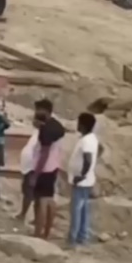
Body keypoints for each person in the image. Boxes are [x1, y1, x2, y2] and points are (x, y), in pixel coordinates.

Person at [18, 99, 65, 226]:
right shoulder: (52, 126)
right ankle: (42, 225)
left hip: (42, 169)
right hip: (48, 168)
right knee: (44, 199)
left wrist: (36, 174)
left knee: (42, 200)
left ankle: (40, 228)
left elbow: (44, 153)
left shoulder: (47, 130)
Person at [66, 112, 100, 247]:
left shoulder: (87, 141)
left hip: (81, 181)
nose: (77, 125)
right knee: (84, 209)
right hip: (87, 180)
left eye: (79, 123)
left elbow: (87, 158)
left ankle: (73, 238)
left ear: (84, 125)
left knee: (76, 209)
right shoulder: (91, 138)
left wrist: (82, 174)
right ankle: (82, 235)